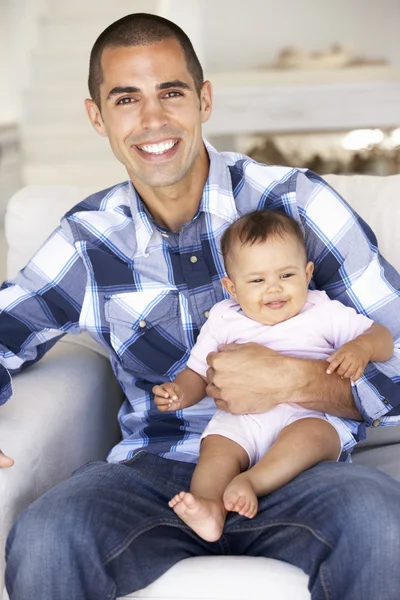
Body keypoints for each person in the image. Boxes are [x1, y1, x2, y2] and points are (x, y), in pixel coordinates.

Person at [1, 12, 400, 600]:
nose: (154, 119)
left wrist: (294, 379)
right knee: (46, 535)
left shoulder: (297, 202)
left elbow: (395, 344)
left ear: (204, 99)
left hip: (298, 465)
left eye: (171, 92)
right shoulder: (88, 240)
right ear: (97, 116)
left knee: (382, 522)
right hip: (153, 474)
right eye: (126, 98)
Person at [153, 209, 394, 542]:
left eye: (286, 275)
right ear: (232, 288)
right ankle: (209, 507)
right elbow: (197, 372)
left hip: (308, 414)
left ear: (308, 273)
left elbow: (383, 336)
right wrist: (178, 392)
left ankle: (253, 481)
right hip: (242, 420)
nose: (274, 290)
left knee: (314, 436)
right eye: (257, 280)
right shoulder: (224, 318)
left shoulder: (321, 310)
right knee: (216, 449)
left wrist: (363, 348)